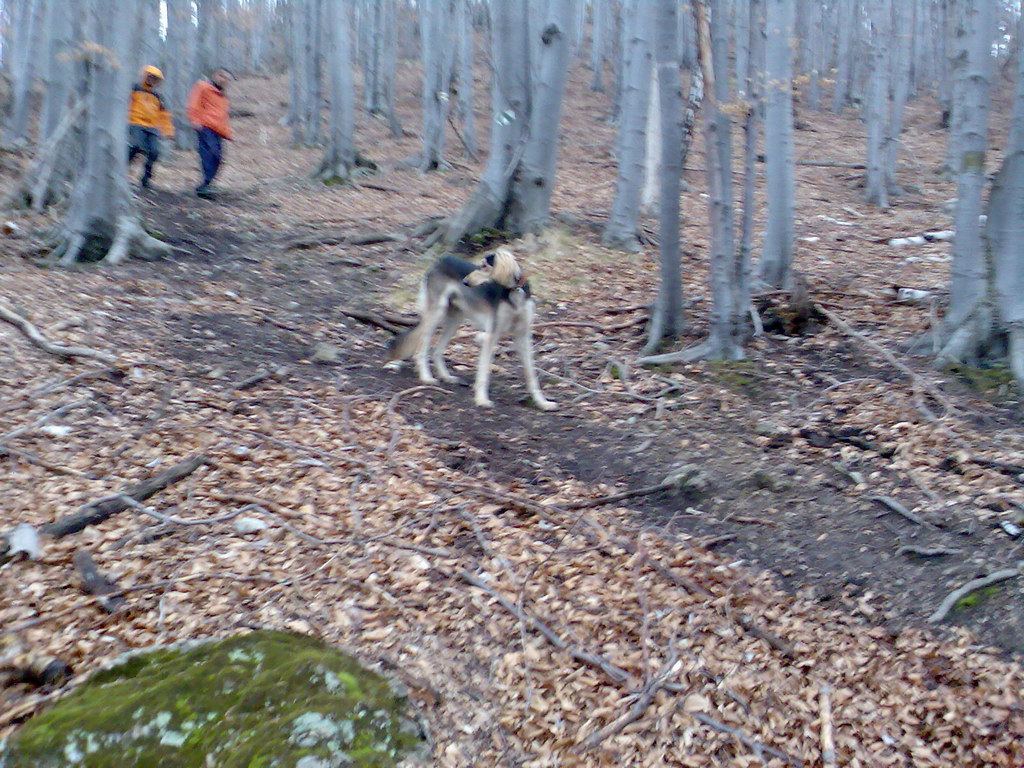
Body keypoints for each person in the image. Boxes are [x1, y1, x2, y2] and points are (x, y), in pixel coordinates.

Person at [186, 68, 234, 199]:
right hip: (205, 126)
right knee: (209, 154)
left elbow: (223, 116)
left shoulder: (223, 97)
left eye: (227, 78)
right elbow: (193, 104)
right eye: (222, 76)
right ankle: (206, 185)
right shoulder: (202, 86)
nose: (224, 80)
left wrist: (227, 133)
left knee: (218, 158)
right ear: (214, 75)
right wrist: (194, 120)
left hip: (218, 130)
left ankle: (206, 185)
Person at [127, 66, 175, 189]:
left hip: (152, 127)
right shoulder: (134, 89)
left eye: (155, 78)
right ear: (144, 75)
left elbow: (164, 116)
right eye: (150, 76)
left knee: (154, 152)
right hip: (135, 122)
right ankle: (123, 170)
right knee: (136, 146)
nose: (152, 79)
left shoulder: (158, 96)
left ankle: (146, 179)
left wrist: (168, 131)